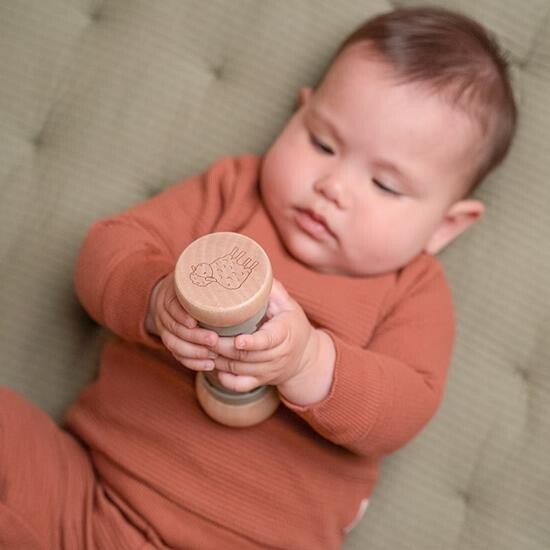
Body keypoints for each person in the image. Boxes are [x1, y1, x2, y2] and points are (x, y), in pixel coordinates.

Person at [0, 6, 517, 550]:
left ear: (447, 224)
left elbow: (404, 408)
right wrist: (156, 297)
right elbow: (108, 248)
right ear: (300, 113)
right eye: (322, 144)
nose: (333, 186)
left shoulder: (413, 290)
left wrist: (308, 361)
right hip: (86, 493)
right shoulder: (232, 192)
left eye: (385, 185)